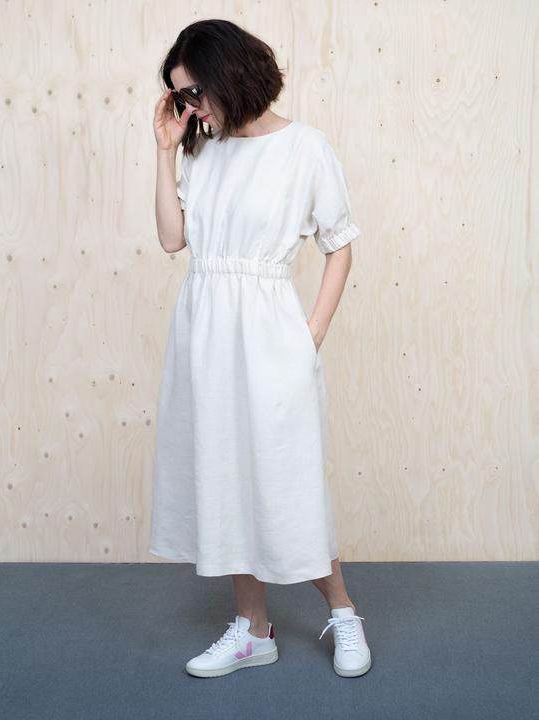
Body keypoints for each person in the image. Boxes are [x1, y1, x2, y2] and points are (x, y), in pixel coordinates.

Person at [150, 19, 371, 679]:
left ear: (229, 73)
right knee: (225, 478)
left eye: (194, 93)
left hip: (270, 338)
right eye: (180, 98)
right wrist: (165, 150)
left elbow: (340, 245)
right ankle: (252, 629)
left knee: (284, 480)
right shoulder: (202, 151)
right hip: (204, 335)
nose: (190, 108)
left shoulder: (305, 149)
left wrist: (311, 335)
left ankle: (343, 612)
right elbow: (172, 240)